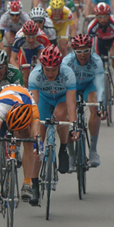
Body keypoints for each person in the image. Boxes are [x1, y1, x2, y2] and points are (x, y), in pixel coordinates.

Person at [29, 45, 78, 203]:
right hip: (43, 99)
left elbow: (71, 105)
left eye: (53, 70)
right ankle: (34, 186)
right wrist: (34, 128)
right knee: (38, 143)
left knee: (60, 114)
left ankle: (63, 147)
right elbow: (34, 105)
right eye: (47, 70)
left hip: (61, 98)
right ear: (42, 66)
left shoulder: (68, 74)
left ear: (59, 67)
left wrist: (73, 127)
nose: (50, 73)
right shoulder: (35, 75)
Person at [0, 85, 40, 208]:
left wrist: (37, 147)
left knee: (29, 140)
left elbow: (36, 133)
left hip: (24, 107)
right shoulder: (2, 107)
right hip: (4, 105)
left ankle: (27, 183)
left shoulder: (33, 109)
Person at [62, 34, 106, 169]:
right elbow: (63, 85)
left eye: (86, 51)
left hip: (89, 86)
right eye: (79, 51)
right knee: (69, 116)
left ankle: (93, 150)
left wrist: (101, 105)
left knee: (94, 108)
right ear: (73, 51)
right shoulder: (67, 61)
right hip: (72, 87)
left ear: (90, 50)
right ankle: (71, 154)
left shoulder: (96, 60)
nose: (83, 55)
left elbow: (100, 85)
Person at [86, 3, 114, 91]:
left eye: (105, 16)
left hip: (112, 42)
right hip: (100, 42)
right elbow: (90, 44)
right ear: (96, 17)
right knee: (100, 63)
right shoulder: (92, 26)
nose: (102, 19)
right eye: (99, 17)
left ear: (109, 15)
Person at [10, 20, 49, 85]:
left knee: (46, 61)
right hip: (25, 51)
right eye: (28, 37)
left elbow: (50, 53)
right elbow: (12, 59)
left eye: (33, 36)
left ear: (37, 34)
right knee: (25, 77)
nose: (31, 40)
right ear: (24, 35)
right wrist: (18, 71)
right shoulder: (19, 38)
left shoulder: (42, 36)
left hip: (38, 48)